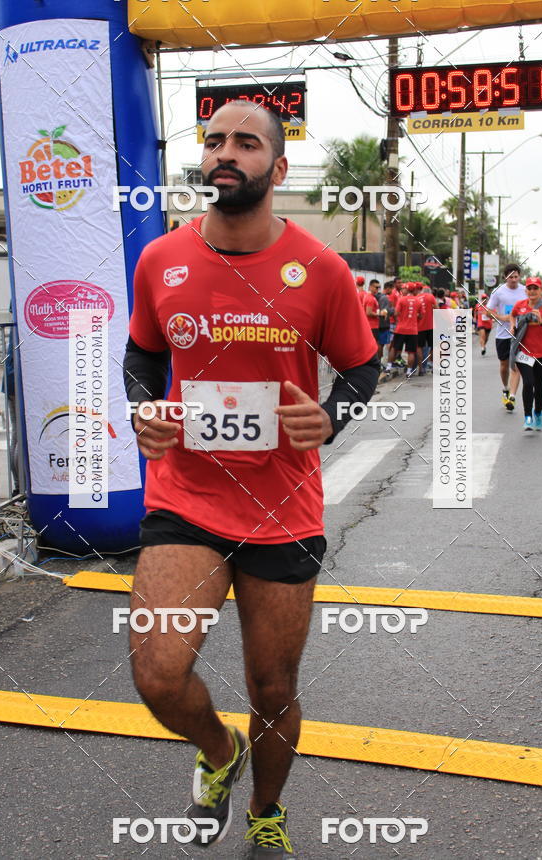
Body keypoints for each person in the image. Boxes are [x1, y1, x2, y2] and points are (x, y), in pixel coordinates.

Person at [123, 100, 379, 858]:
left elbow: (363, 366)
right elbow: (141, 355)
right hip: (187, 498)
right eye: (213, 141)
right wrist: (145, 410)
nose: (224, 153)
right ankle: (217, 752)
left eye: (245, 142)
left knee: (273, 690)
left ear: (277, 166)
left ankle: (267, 810)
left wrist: (333, 416)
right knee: (159, 676)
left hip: (282, 509)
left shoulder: (322, 270)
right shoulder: (161, 259)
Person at [509, 276, 542, 430]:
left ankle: (538, 413)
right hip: (524, 352)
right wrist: (512, 326)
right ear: (526, 290)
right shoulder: (520, 305)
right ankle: (528, 417)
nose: (532, 291)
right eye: (529, 288)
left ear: (541, 290)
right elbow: (512, 315)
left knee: (539, 385)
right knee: (528, 383)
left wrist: (541, 321)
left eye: (535, 288)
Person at [486, 263, 527, 412]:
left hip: (520, 334)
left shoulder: (525, 290)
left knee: (515, 365)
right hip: (502, 334)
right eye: (511, 277)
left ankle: (512, 397)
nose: (514, 280)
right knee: (504, 366)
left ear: (519, 277)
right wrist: (502, 317)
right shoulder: (498, 292)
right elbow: (488, 311)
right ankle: (506, 388)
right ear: (505, 277)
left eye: (516, 276)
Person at [386, 283, 422, 377]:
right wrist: (414, 317)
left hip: (400, 329)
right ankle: (409, 372)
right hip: (412, 330)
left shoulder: (401, 299)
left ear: (407, 289)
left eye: (404, 289)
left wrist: (402, 318)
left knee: (394, 348)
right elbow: (421, 315)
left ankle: (388, 368)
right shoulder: (418, 301)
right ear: (414, 290)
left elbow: (396, 313)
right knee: (411, 352)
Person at [416, 283, 437, 373]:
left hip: (419, 327)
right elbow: (437, 309)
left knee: (419, 347)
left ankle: (421, 368)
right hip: (431, 326)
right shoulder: (431, 297)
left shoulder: (417, 298)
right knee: (433, 346)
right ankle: (433, 366)